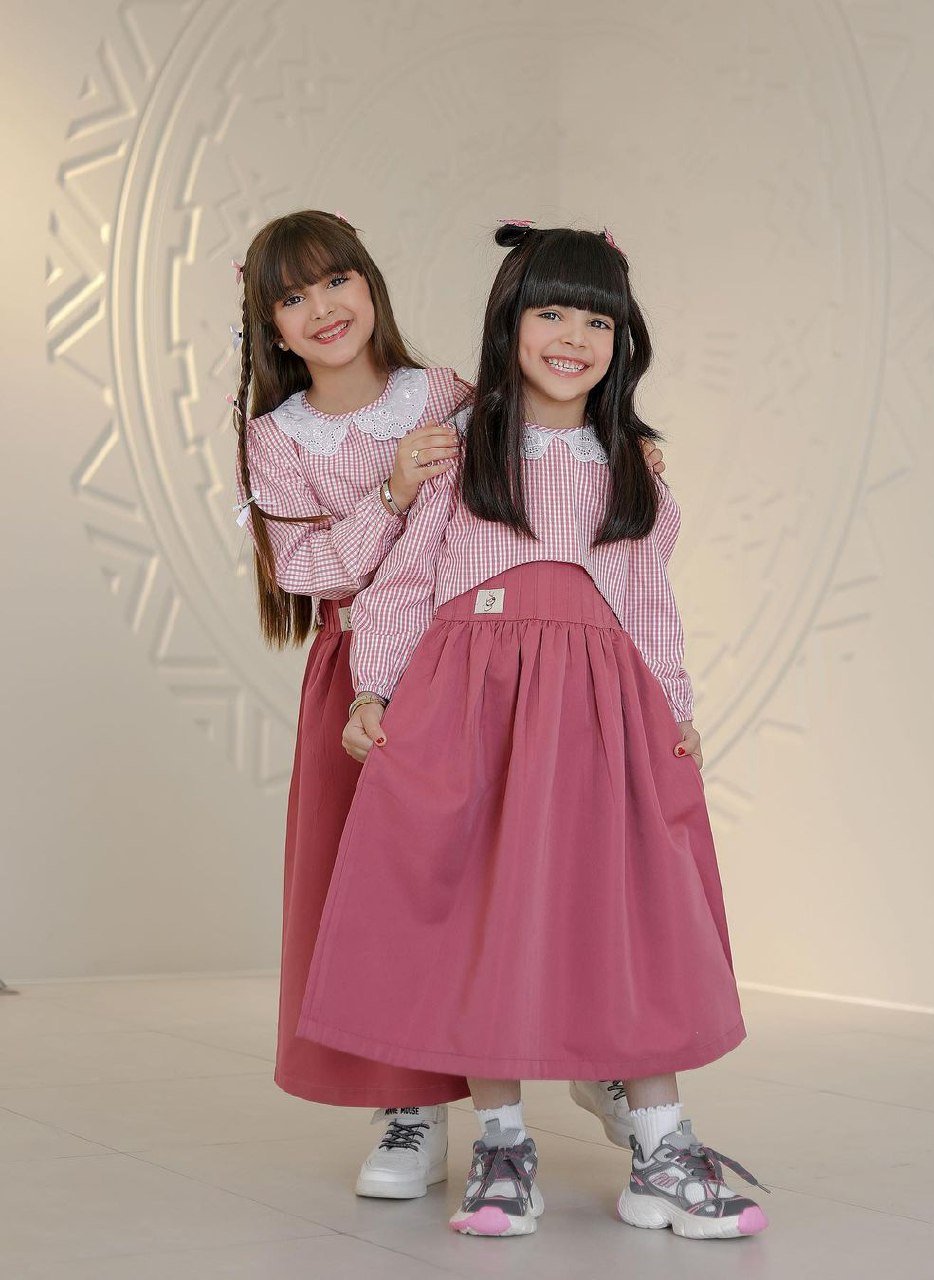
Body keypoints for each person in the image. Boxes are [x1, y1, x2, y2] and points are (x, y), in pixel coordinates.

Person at [298, 223, 769, 1240]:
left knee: (635, 905)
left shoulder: (631, 465)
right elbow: (406, 580)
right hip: (472, 705)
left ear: (622, 341)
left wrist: (673, 705)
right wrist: (375, 689)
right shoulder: (461, 451)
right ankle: (502, 1145)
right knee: (484, 906)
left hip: (601, 710)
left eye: (596, 320)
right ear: (509, 323)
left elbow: (648, 602)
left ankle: (663, 1147)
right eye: (550, 312)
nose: (572, 337)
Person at [232, 210, 659, 1200]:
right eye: (291, 298)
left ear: (369, 283)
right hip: (364, 669)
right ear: (270, 328)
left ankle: (595, 1049)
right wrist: (387, 492)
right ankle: (409, 1104)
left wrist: (632, 456)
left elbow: (548, 447)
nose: (322, 308)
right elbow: (307, 571)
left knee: (525, 866)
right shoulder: (276, 438)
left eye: (335, 280)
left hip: (483, 665)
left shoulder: (445, 395)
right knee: (383, 890)